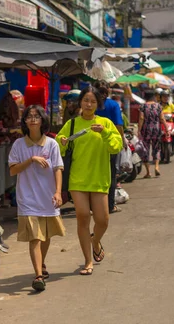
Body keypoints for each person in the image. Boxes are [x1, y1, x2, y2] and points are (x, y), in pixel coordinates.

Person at [56, 87, 123, 275]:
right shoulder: (71, 124)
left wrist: (105, 133)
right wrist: (61, 140)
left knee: (103, 220)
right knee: (83, 216)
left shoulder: (106, 123)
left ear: (98, 104)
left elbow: (116, 147)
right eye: (86, 100)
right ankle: (88, 261)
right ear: (80, 102)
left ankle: (95, 240)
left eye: (93, 101)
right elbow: (59, 146)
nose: (89, 104)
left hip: (100, 178)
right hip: (78, 179)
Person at [9, 105, 65, 292]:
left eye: (36, 116)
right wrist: (31, 159)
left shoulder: (52, 144)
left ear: (42, 120)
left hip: (47, 197)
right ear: (24, 121)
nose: (33, 119)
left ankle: (42, 264)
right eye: (29, 116)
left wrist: (58, 192)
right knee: (35, 238)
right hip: (27, 198)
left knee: (46, 235)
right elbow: (12, 170)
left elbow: (58, 169)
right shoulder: (18, 145)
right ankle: (38, 276)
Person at [93, 81, 126, 214]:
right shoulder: (113, 105)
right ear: (108, 91)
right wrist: (122, 139)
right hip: (110, 143)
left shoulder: (90, 103)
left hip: (92, 144)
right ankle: (110, 205)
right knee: (111, 174)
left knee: (94, 174)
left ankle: (93, 207)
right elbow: (118, 125)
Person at [138, 90, 167, 178]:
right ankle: (157, 166)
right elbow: (162, 118)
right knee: (156, 148)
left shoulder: (143, 106)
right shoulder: (158, 106)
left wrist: (139, 130)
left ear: (145, 97)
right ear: (153, 97)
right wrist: (166, 129)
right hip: (156, 129)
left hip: (146, 130)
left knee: (145, 150)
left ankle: (148, 172)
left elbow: (141, 118)